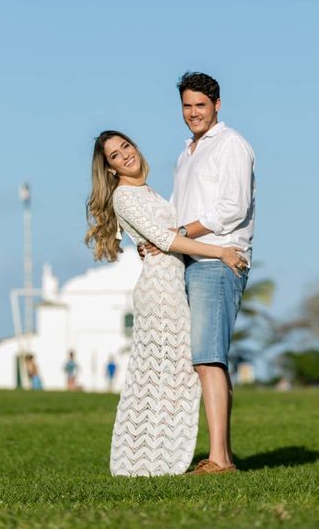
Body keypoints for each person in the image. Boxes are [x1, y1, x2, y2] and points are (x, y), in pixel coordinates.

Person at [85, 129, 248, 477]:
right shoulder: (124, 196)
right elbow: (166, 239)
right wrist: (221, 251)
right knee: (169, 375)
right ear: (110, 168)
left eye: (126, 146)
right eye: (115, 155)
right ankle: (148, 459)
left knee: (194, 369)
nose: (125, 155)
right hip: (160, 292)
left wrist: (168, 240)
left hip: (174, 284)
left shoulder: (148, 191)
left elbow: (168, 236)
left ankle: (219, 455)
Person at [141, 72, 255, 475]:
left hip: (219, 261)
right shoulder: (187, 153)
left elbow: (233, 208)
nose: (193, 113)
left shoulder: (231, 145)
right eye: (187, 106)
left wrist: (181, 234)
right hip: (190, 259)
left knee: (208, 359)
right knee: (204, 361)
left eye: (201, 105)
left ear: (217, 105)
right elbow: (177, 210)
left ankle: (219, 460)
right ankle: (220, 454)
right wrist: (158, 239)